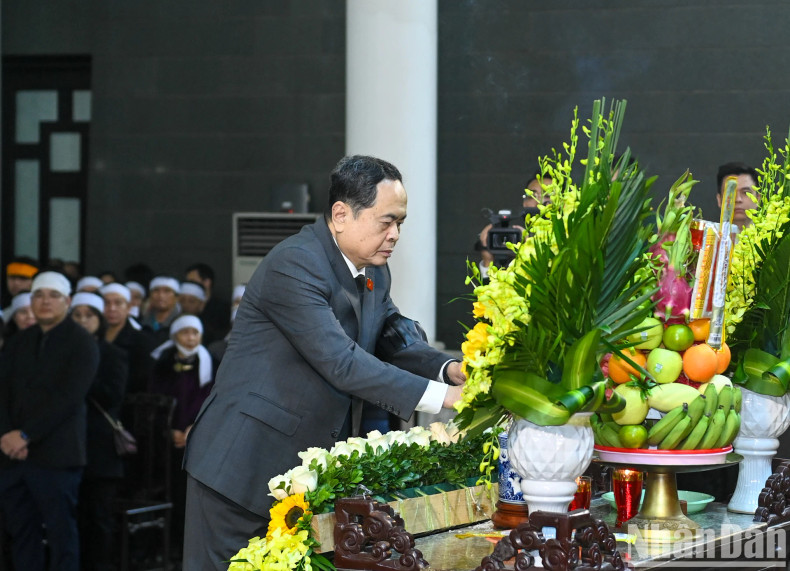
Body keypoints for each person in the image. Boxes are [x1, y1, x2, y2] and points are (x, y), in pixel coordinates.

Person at [182, 155, 465, 569]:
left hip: (296, 478)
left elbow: (391, 331)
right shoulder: (295, 263)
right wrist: (445, 397)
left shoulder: (373, 269)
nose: (395, 234)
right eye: (386, 221)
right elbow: (342, 362)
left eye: (401, 223)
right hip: (241, 469)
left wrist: (448, 368)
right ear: (341, 214)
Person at [0, 271, 99, 571]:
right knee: (21, 533)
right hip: (13, 455)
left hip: (57, 455)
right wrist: (6, 434)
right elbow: (2, 390)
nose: (45, 302)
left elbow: (68, 399)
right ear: (30, 301)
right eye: (38, 295)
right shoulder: (20, 341)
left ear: (67, 301)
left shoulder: (82, 342)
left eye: (53, 296)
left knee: (60, 534)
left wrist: (27, 435)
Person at [70, 292, 128, 571]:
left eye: (89, 315)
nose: (83, 321)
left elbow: (112, 396)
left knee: (99, 517)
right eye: (77, 315)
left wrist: (82, 370)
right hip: (65, 445)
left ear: (100, 320)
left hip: (100, 450)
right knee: (72, 515)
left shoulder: (113, 354)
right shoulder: (61, 354)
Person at [149, 314, 215, 556]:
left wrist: (192, 429)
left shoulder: (211, 362)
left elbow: (211, 398)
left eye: (194, 333)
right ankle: (167, 547)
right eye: (185, 332)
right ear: (175, 335)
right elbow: (155, 396)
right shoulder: (163, 362)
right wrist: (168, 429)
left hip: (198, 440)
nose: (190, 338)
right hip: (165, 442)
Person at [477, 173, 553, 279]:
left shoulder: (572, 240)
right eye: (532, 196)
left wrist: (530, 251)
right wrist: (488, 263)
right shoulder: (515, 241)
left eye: (547, 196)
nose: (538, 202)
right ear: (524, 203)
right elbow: (494, 294)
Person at [101, 283, 154, 395]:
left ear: (129, 307)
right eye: (106, 303)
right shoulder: (93, 338)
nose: (112, 308)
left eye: (118, 303)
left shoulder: (141, 340)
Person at [184, 263, 231, 345]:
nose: (189, 285)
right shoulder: (181, 307)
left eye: (192, 281)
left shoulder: (223, 309)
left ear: (207, 282)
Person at [716, 162, 759, 229]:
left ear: (758, 199)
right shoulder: (704, 238)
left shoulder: (773, 238)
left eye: (745, 192)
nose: (738, 199)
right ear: (719, 200)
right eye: (730, 193)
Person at [140, 276, 181, 345]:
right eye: (156, 290)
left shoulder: (181, 322)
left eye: (167, 291)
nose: (161, 295)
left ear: (176, 297)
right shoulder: (141, 321)